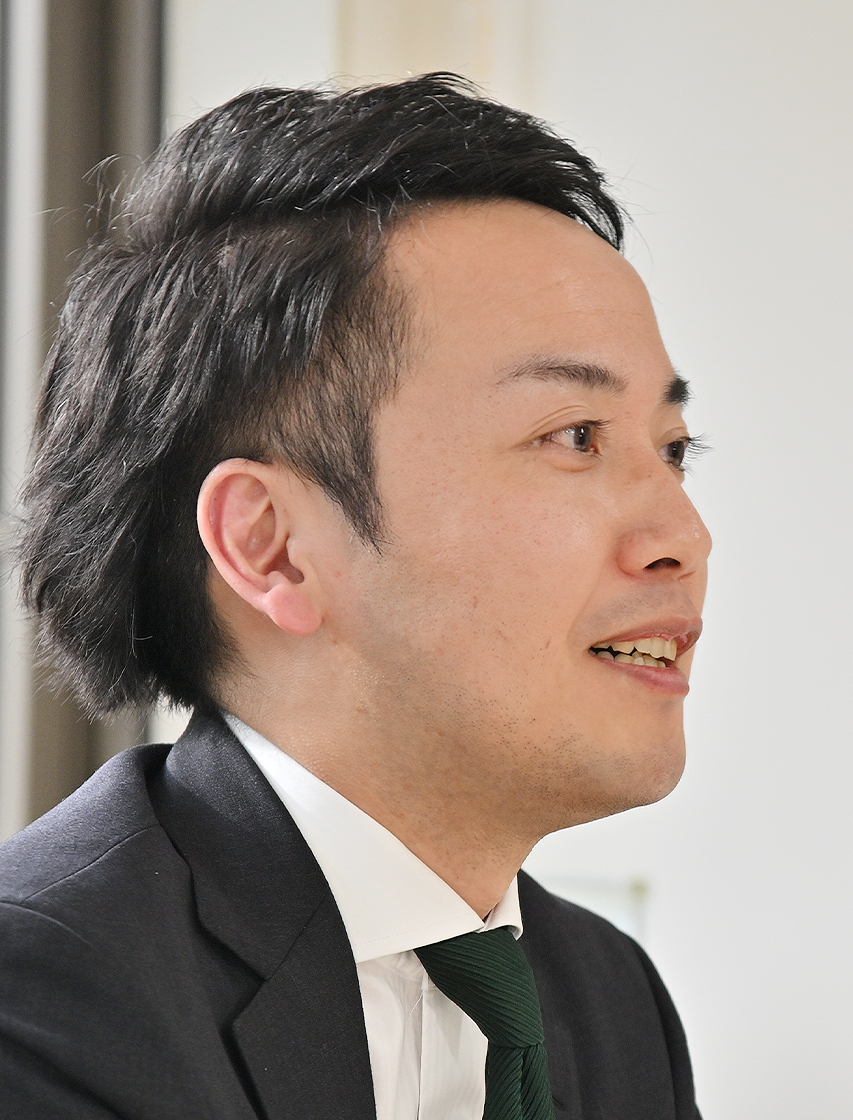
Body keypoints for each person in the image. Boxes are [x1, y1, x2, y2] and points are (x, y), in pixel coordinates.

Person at [0, 74, 710, 1119]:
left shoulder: (608, 1000)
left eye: (675, 449)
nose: (683, 539)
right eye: (573, 437)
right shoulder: (44, 1004)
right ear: (273, 547)